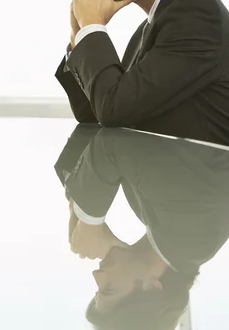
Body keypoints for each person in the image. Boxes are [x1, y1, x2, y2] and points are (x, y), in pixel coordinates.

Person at [55, 0, 229, 146]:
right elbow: (92, 113)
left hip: (193, 179)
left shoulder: (196, 13)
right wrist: (78, 32)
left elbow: (113, 110)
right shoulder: (154, 24)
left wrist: (92, 25)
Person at [55, 125, 229, 329]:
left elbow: (93, 125)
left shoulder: (154, 221)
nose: (97, 276)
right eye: (109, 289)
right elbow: (113, 140)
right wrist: (90, 220)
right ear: (153, 288)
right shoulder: (194, 239)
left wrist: (76, 207)